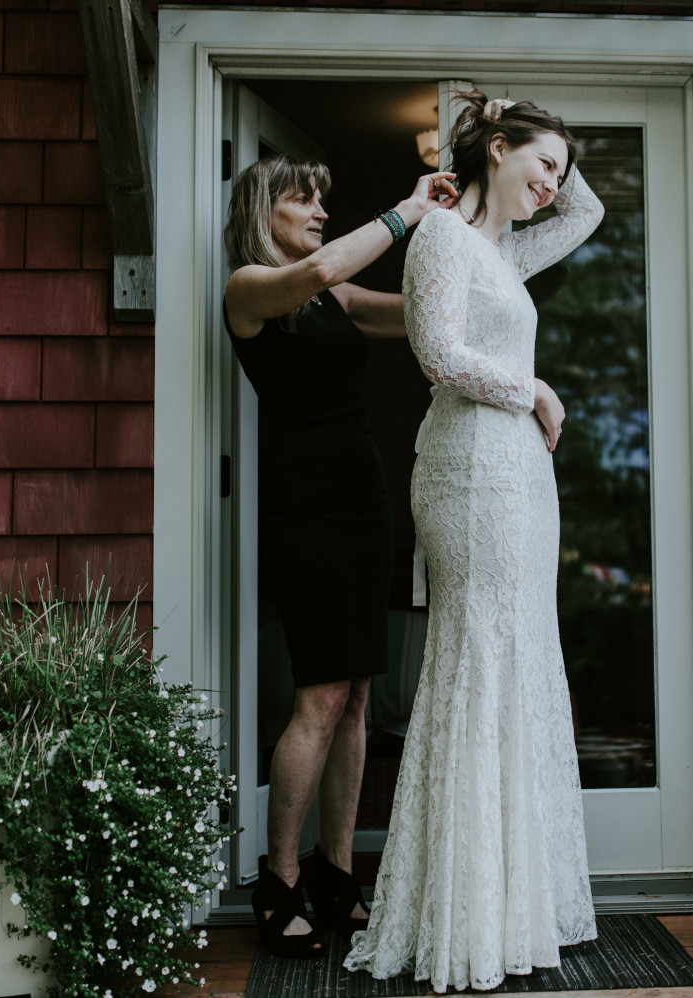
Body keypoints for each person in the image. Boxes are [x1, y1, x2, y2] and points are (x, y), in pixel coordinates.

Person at [343, 92, 604, 992]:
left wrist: (540, 144)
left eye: (558, 172)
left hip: (523, 481)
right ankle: (461, 912)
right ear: (497, 148)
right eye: (540, 164)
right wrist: (532, 390)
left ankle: (513, 900)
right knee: (477, 657)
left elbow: (590, 211)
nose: (553, 185)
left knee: (523, 655)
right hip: (467, 472)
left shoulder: (507, 249)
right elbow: (439, 354)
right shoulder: (446, 237)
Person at [222, 155, 456, 958]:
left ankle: (333, 869)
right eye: (303, 199)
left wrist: (470, 239)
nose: (319, 211)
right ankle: (278, 878)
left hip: (364, 501)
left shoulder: (334, 298)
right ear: (264, 209)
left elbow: (422, 318)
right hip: (307, 510)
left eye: (324, 199)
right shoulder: (250, 287)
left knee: (357, 694)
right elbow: (324, 263)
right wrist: (407, 211)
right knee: (319, 697)